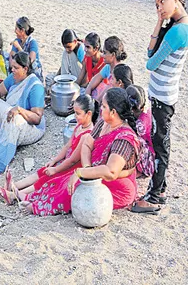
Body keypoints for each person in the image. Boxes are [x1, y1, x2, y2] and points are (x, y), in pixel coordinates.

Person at [20, 88, 140, 216]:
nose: (100, 109)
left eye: (104, 107)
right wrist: (87, 168)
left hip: (118, 187)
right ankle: (31, 198)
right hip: (96, 172)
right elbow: (87, 144)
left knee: (73, 188)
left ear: (113, 112)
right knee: (62, 179)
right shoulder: (103, 124)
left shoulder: (123, 140)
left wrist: (83, 172)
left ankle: (37, 207)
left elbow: (111, 172)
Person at [133, 0, 188, 215]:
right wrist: (158, 22)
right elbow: (149, 52)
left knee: (160, 145)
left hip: (163, 97)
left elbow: (150, 63)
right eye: (156, 5)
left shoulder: (179, 31)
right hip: (163, 94)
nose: (160, 8)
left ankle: (155, 197)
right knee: (159, 141)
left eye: (163, 2)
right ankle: (161, 189)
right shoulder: (173, 25)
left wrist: (160, 29)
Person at [0, 95, 97, 204]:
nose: (75, 116)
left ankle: (15, 195)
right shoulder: (79, 127)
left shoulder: (87, 135)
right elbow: (67, 146)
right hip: (66, 162)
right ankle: (13, 186)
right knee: (43, 171)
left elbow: (73, 160)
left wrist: (56, 169)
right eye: (74, 113)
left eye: (78, 113)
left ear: (88, 114)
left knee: (47, 178)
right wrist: (54, 160)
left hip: (72, 168)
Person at [0, 52, 45, 177]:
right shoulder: (14, 78)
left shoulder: (35, 86)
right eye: (12, 67)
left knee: (14, 120)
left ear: (25, 69)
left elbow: (37, 118)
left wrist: (19, 109)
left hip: (31, 127)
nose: (12, 70)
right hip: (13, 115)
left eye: (16, 68)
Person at [85, 36, 127, 101]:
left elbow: (106, 93)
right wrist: (86, 100)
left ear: (113, 55)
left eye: (105, 53)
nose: (102, 55)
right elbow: (91, 84)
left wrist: (94, 105)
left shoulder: (119, 72)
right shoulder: (108, 67)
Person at [127, 85, 154, 178]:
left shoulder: (141, 123)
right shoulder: (145, 107)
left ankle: (140, 169)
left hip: (150, 155)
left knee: (131, 140)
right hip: (151, 147)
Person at [9, 17, 43, 83]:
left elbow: (30, 61)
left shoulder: (32, 43)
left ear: (22, 31)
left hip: (32, 73)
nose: (15, 31)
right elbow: (11, 55)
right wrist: (12, 66)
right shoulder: (17, 41)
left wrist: (19, 48)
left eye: (16, 29)